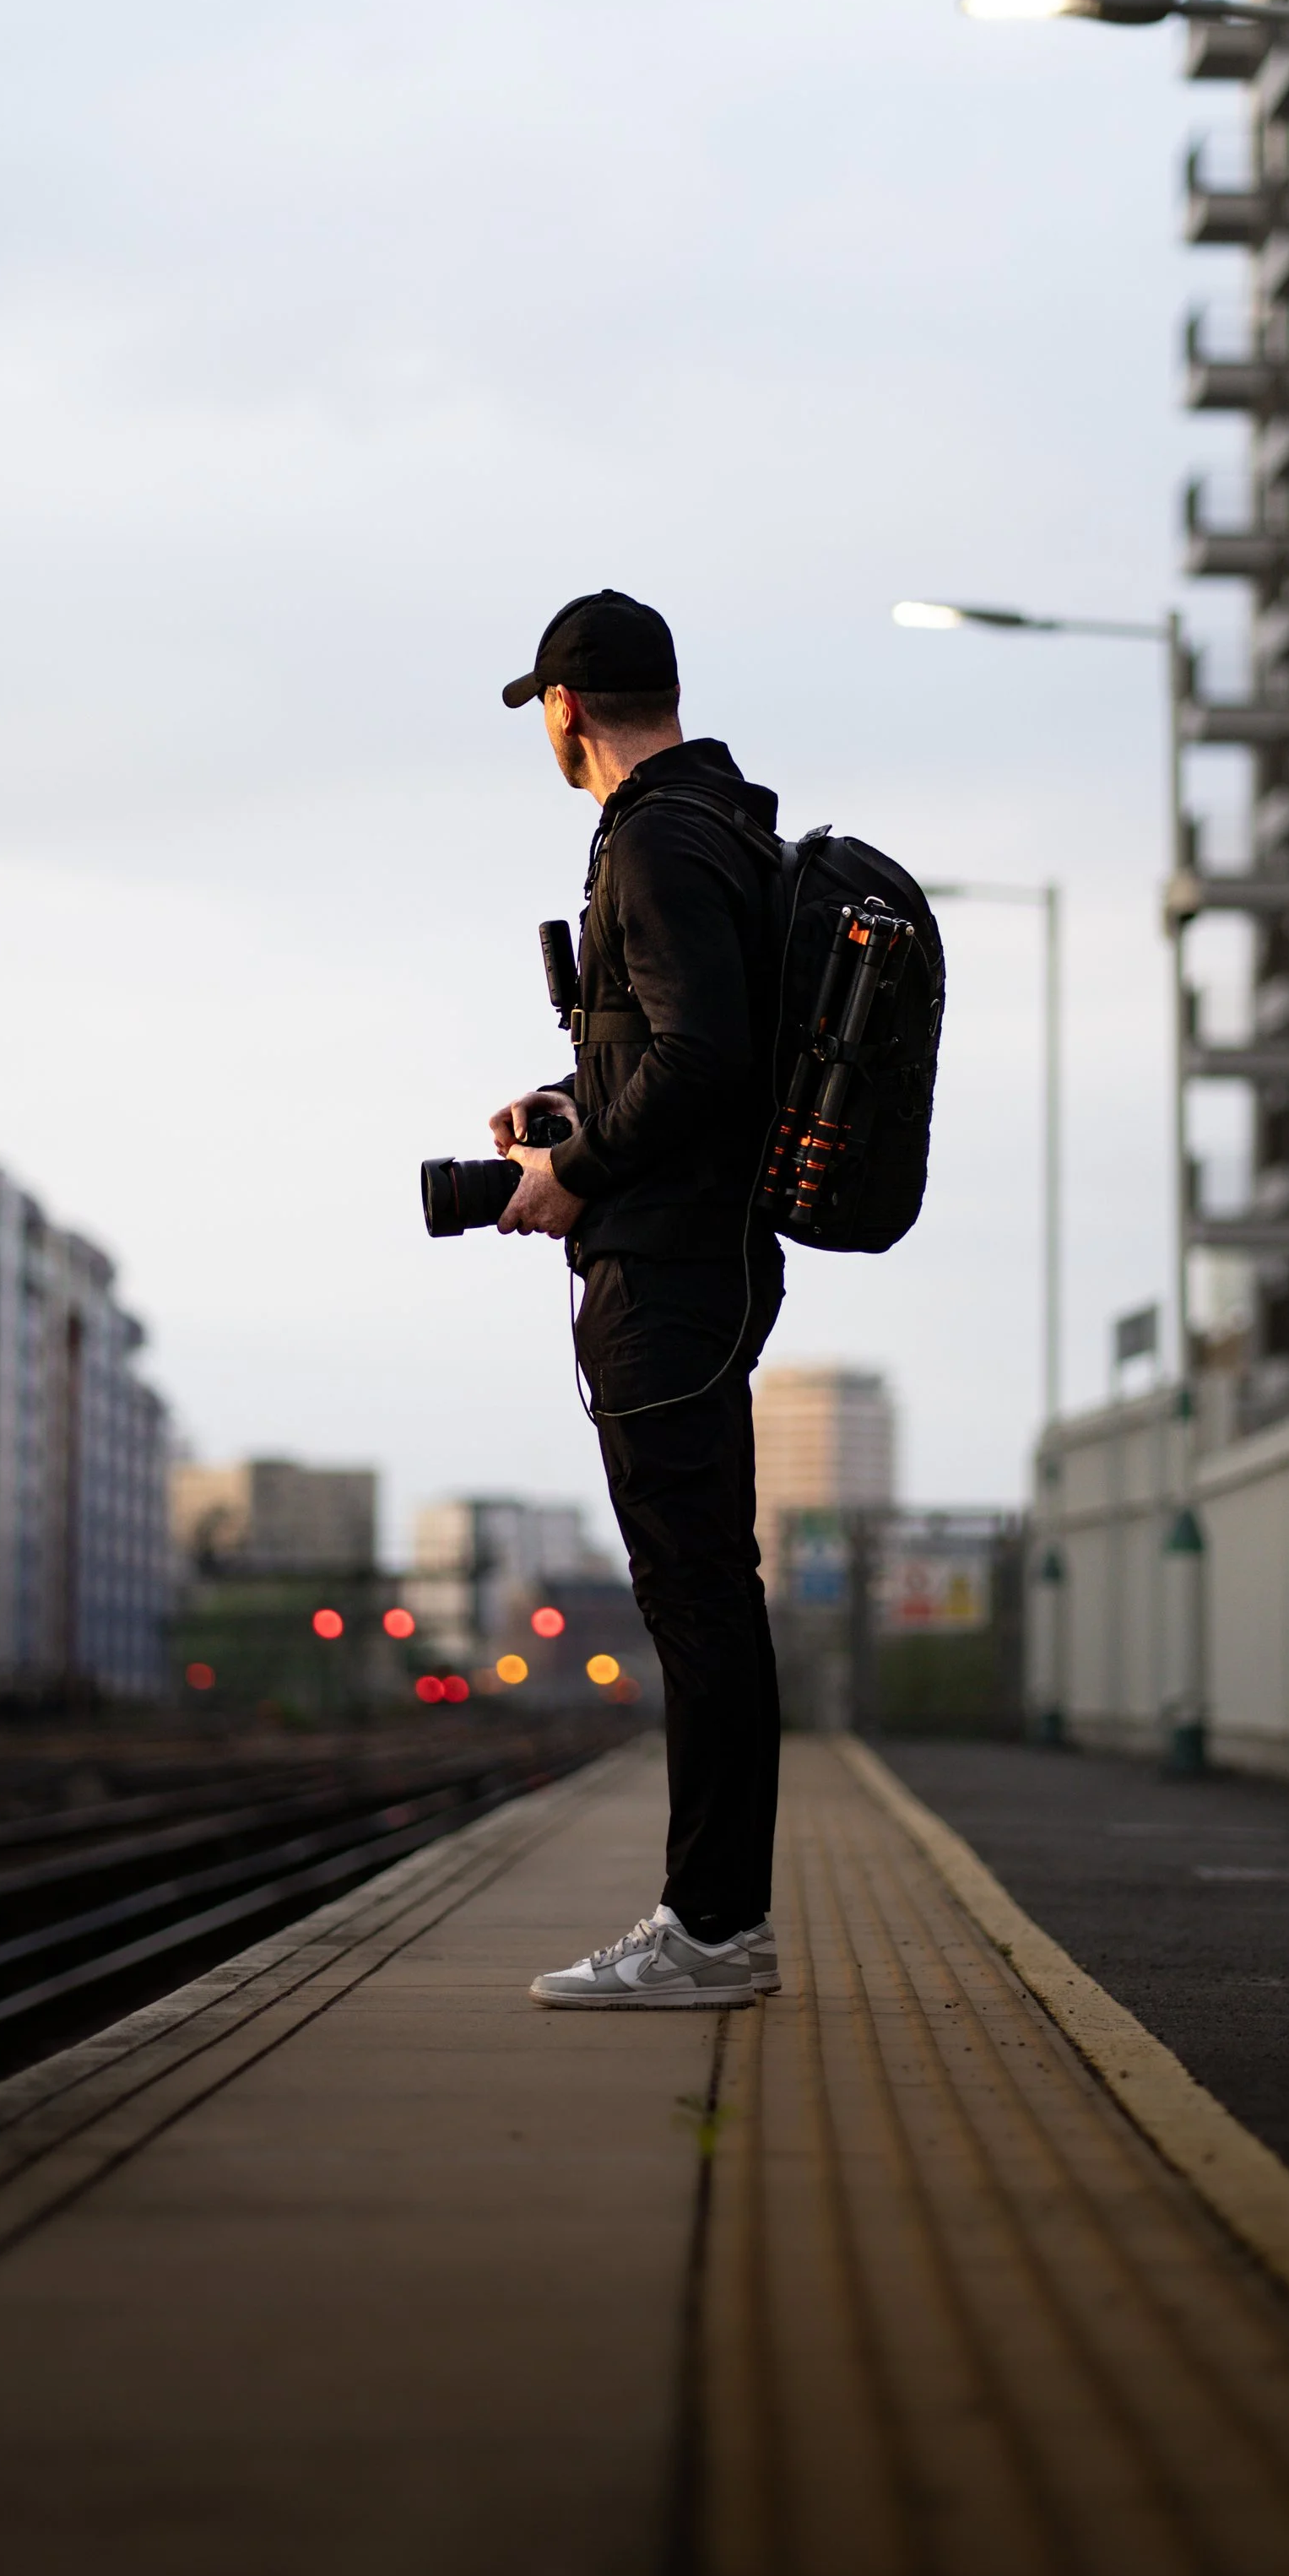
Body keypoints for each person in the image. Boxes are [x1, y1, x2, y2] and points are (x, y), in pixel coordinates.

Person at [490, 588, 786, 2010]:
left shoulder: (658, 840)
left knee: (697, 1601)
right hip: (691, 1254)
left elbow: (709, 1062)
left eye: (540, 711)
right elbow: (684, 1052)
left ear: (566, 709)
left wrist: (574, 1171)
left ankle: (714, 1929)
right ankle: (718, 1920)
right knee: (705, 1596)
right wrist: (569, 1106)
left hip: (667, 1271)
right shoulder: (712, 823)